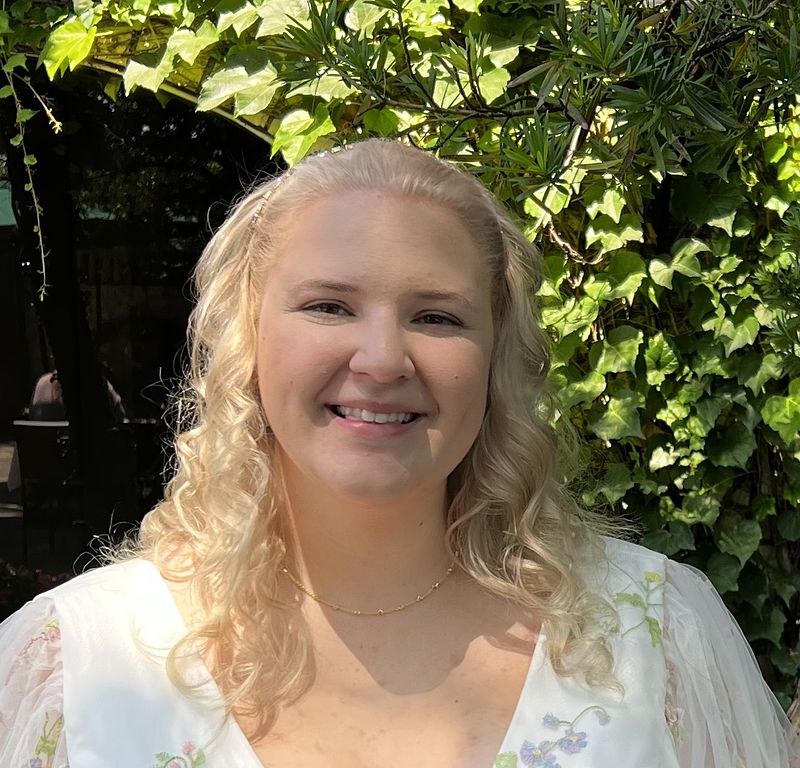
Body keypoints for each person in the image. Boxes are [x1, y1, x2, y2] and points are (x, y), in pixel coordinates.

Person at [0, 139, 796, 768]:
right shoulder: (71, 667)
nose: (382, 358)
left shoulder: (654, 638)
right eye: (328, 305)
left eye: (438, 317)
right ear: (247, 340)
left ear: (494, 359)